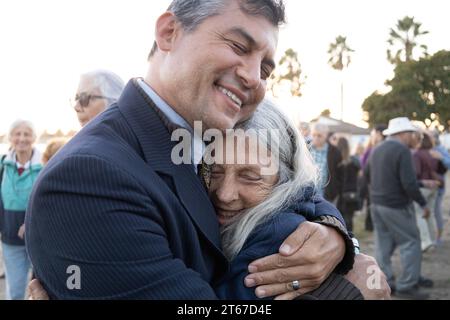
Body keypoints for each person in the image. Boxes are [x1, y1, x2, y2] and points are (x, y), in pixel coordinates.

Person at [26, 0, 358, 300]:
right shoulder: (88, 179)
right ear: (169, 32)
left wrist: (335, 232)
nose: (255, 78)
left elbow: (291, 186)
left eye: (266, 69)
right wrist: (348, 291)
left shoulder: (204, 138)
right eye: (238, 46)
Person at [212, 100, 388, 300]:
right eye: (214, 171)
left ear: (284, 179)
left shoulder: (278, 236)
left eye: (250, 177)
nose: (224, 195)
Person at [364, 117, 432, 300]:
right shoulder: (402, 150)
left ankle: (387, 282)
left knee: (383, 245)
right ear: (403, 133)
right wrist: (423, 204)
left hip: (376, 204)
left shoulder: (376, 148)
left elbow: (366, 174)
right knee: (411, 242)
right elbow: (409, 184)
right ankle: (407, 285)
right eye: (412, 133)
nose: (414, 136)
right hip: (395, 205)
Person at [0, 120, 43, 300]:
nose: (22, 138)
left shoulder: (45, 165)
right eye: (17, 134)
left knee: (43, 291)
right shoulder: (2, 165)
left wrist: (30, 222)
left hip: (39, 241)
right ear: (10, 138)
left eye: (26, 134)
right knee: (16, 292)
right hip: (10, 240)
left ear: (34, 138)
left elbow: (49, 203)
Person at [412, 132, 442, 251]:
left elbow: (416, 173)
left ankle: (426, 241)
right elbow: (441, 169)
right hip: (435, 186)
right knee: (431, 214)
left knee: (420, 214)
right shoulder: (434, 153)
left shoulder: (417, 154)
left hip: (423, 186)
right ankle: (433, 240)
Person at [360, 124, 387, 232]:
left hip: (377, 185)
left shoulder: (379, 149)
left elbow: (366, 167)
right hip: (372, 185)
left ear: (379, 134)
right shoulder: (372, 148)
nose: (372, 136)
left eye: (373, 134)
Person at [310, 123, 342, 203]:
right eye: (314, 135)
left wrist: (336, 190)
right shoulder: (305, 148)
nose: (316, 138)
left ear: (326, 136)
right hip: (308, 192)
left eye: (319, 135)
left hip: (327, 193)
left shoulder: (335, 152)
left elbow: (339, 174)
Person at [429, 131, 450, 246]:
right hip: (427, 186)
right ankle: (430, 238)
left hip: (438, 187)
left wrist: (441, 157)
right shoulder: (425, 148)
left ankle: (438, 238)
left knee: (436, 212)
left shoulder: (440, 149)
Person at [336, 137, 361, 232]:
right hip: (351, 193)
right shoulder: (354, 162)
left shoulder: (337, 163)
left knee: (340, 219)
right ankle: (351, 239)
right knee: (349, 219)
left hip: (341, 194)